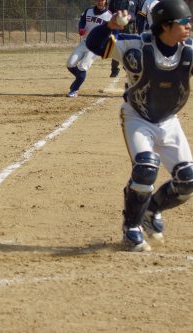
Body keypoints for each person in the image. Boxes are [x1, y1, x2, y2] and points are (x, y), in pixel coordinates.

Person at [86, 0, 193, 251]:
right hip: (137, 117)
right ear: (166, 26)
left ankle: (151, 210)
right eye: (184, 22)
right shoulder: (137, 47)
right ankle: (131, 227)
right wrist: (110, 26)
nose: (189, 26)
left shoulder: (188, 52)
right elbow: (94, 44)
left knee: (187, 180)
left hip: (169, 121)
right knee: (146, 168)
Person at [66, 0, 112, 97]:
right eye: (98, 0)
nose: (100, 2)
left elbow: (111, 32)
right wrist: (81, 28)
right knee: (70, 64)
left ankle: (73, 90)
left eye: (102, 0)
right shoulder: (88, 11)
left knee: (82, 66)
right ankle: (80, 78)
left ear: (105, 1)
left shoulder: (109, 15)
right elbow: (82, 21)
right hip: (84, 42)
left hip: (96, 46)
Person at [108, 0, 134, 77]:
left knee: (128, 48)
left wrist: (130, 18)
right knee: (115, 46)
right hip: (116, 25)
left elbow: (136, 13)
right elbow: (109, 12)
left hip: (129, 26)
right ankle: (114, 70)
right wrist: (116, 18)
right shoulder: (113, 1)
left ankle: (128, 69)